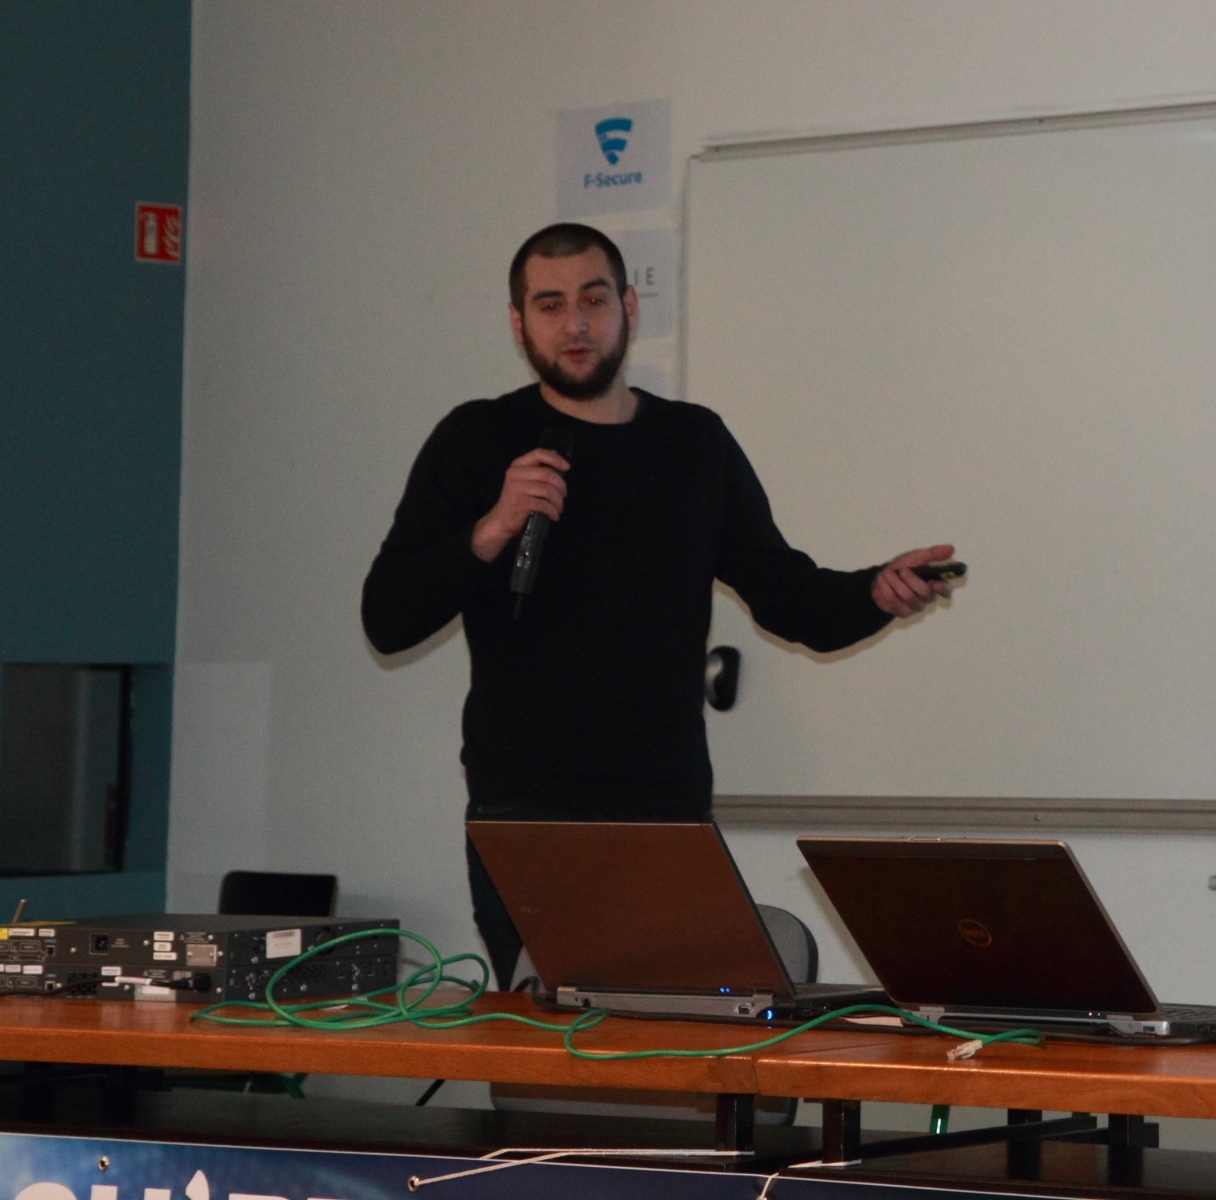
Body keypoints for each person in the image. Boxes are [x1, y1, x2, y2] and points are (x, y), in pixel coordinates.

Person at [361, 221, 954, 987]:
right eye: (550, 305)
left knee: (679, 1036)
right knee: (547, 1043)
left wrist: (873, 591)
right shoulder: (478, 439)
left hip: (666, 812)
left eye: (593, 299)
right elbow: (388, 619)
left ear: (628, 308)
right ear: (518, 323)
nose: (575, 324)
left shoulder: (693, 444)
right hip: (526, 818)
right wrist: (492, 529)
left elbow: (787, 594)